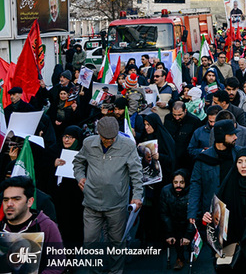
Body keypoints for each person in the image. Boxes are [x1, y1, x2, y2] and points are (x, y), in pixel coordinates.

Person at [73, 116, 143, 274]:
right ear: (98, 134)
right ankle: (95, 271)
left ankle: (115, 271)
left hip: (116, 204)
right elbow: (78, 162)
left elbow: (136, 173)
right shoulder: (88, 143)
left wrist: (137, 195)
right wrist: (80, 177)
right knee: (90, 242)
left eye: (112, 138)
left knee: (116, 243)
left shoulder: (127, 146)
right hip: (91, 203)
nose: (109, 142)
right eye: (105, 139)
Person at [201, 146, 246, 271]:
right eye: (240, 162)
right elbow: (216, 212)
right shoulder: (229, 184)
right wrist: (207, 217)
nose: (243, 166)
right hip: (231, 244)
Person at [0, 175, 65, 274]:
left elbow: (58, 263)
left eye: (16, 199)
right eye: (6, 200)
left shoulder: (46, 226)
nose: (9, 204)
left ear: (29, 202)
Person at [187, 120, 237, 227]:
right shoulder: (204, 158)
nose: (235, 137)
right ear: (221, 136)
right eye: (232, 134)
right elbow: (196, 185)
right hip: (210, 214)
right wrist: (192, 212)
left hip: (234, 213)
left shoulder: (239, 156)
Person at [53, 125, 85, 248]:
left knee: (74, 229)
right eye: (65, 137)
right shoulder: (55, 150)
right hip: (59, 198)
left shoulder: (84, 154)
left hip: (76, 200)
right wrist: (53, 164)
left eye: (71, 138)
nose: (66, 140)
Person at [160, 169, 192, 271]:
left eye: (181, 182)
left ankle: (191, 251)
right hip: (174, 222)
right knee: (176, 232)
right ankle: (180, 258)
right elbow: (164, 214)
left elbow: (195, 215)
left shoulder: (192, 192)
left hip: (188, 221)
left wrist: (188, 235)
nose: (178, 185)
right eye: (175, 182)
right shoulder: (166, 191)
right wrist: (169, 234)